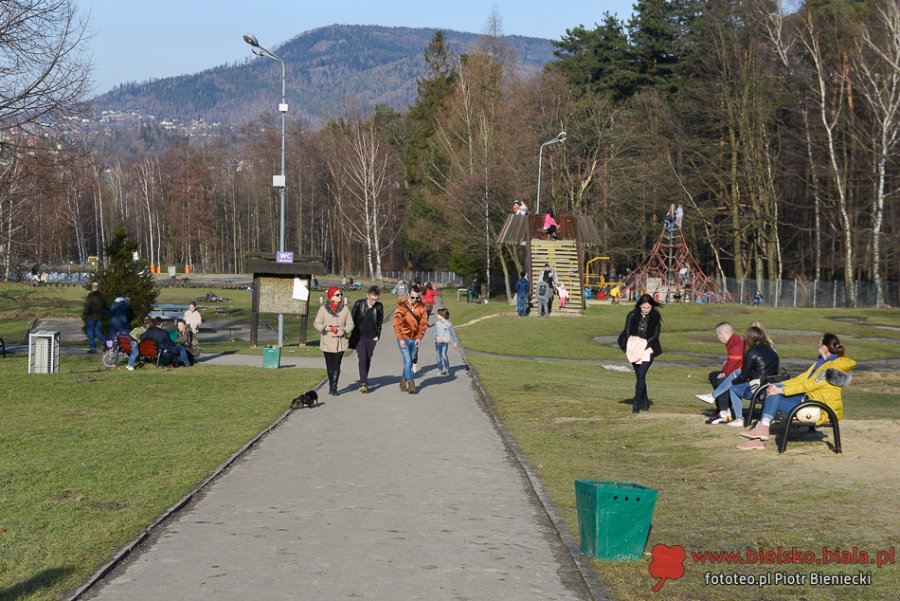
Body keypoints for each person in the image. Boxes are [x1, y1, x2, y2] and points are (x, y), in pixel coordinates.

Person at [737, 334, 856, 450]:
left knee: (775, 393)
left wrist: (781, 390)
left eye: (819, 344)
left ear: (824, 348)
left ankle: (761, 432)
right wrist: (779, 385)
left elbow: (808, 385)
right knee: (774, 391)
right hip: (810, 399)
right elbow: (801, 379)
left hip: (821, 408)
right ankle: (761, 432)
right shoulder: (821, 363)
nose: (817, 346)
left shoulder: (831, 368)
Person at [714, 324, 780, 427]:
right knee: (736, 374)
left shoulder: (752, 352)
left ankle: (738, 419)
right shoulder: (773, 352)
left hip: (757, 391)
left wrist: (732, 382)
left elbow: (744, 376)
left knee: (734, 387)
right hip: (770, 388)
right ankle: (714, 396)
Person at [618, 294, 662, 413]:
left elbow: (655, 334)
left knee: (642, 374)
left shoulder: (655, 316)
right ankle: (645, 400)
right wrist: (631, 345)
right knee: (639, 376)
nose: (646, 310)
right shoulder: (632, 315)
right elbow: (627, 331)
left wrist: (644, 344)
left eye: (648, 308)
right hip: (634, 347)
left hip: (648, 348)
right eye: (644, 308)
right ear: (639, 306)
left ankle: (636, 402)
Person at [313, 286, 354, 396]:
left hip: (340, 342)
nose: (340, 296)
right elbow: (316, 323)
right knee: (329, 366)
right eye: (337, 295)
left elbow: (350, 324)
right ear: (331, 296)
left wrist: (344, 330)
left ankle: (334, 387)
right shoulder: (323, 309)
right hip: (327, 341)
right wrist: (324, 328)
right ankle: (331, 384)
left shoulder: (345, 309)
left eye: (341, 294)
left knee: (336, 365)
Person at [696, 322, 744, 412]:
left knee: (722, 379)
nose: (717, 338)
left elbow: (733, 363)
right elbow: (732, 362)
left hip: (742, 375)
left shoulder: (736, 344)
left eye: (717, 335)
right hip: (738, 372)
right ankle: (724, 408)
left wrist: (724, 373)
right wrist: (725, 370)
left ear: (721, 334)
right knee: (714, 375)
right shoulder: (734, 341)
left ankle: (723, 411)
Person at [393, 286, 428, 394]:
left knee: (410, 361)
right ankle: (411, 383)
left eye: (417, 298)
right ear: (408, 295)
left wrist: (419, 337)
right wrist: (400, 338)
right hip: (403, 338)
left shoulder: (422, 307)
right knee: (408, 361)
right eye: (412, 297)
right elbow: (397, 323)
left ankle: (403, 380)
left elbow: (423, 323)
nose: (414, 300)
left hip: (414, 339)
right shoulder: (401, 306)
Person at [350, 285, 384, 394]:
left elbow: (379, 323)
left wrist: (377, 336)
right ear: (367, 295)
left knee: (368, 359)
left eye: (376, 299)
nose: (374, 301)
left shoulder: (379, 307)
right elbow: (352, 320)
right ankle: (363, 383)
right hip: (359, 336)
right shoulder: (359, 304)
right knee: (362, 357)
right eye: (372, 299)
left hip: (372, 337)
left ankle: (364, 378)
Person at [82, 282, 108, 354]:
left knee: (90, 333)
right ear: (98, 287)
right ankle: (106, 343)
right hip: (100, 317)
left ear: (92, 287)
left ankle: (93, 349)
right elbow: (106, 307)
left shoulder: (90, 296)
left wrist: (84, 317)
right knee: (97, 331)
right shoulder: (102, 296)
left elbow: (87, 307)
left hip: (91, 317)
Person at [433, 308, 460, 376]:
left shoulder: (448, 324)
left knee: (444, 355)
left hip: (445, 342)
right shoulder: (436, 323)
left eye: (438, 314)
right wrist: (437, 337)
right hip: (438, 343)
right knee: (438, 356)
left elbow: (453, 334)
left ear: (442, 315)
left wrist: (455, 342)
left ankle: (447, 369)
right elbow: (434, 332)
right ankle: (440, 370)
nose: (437, 315)